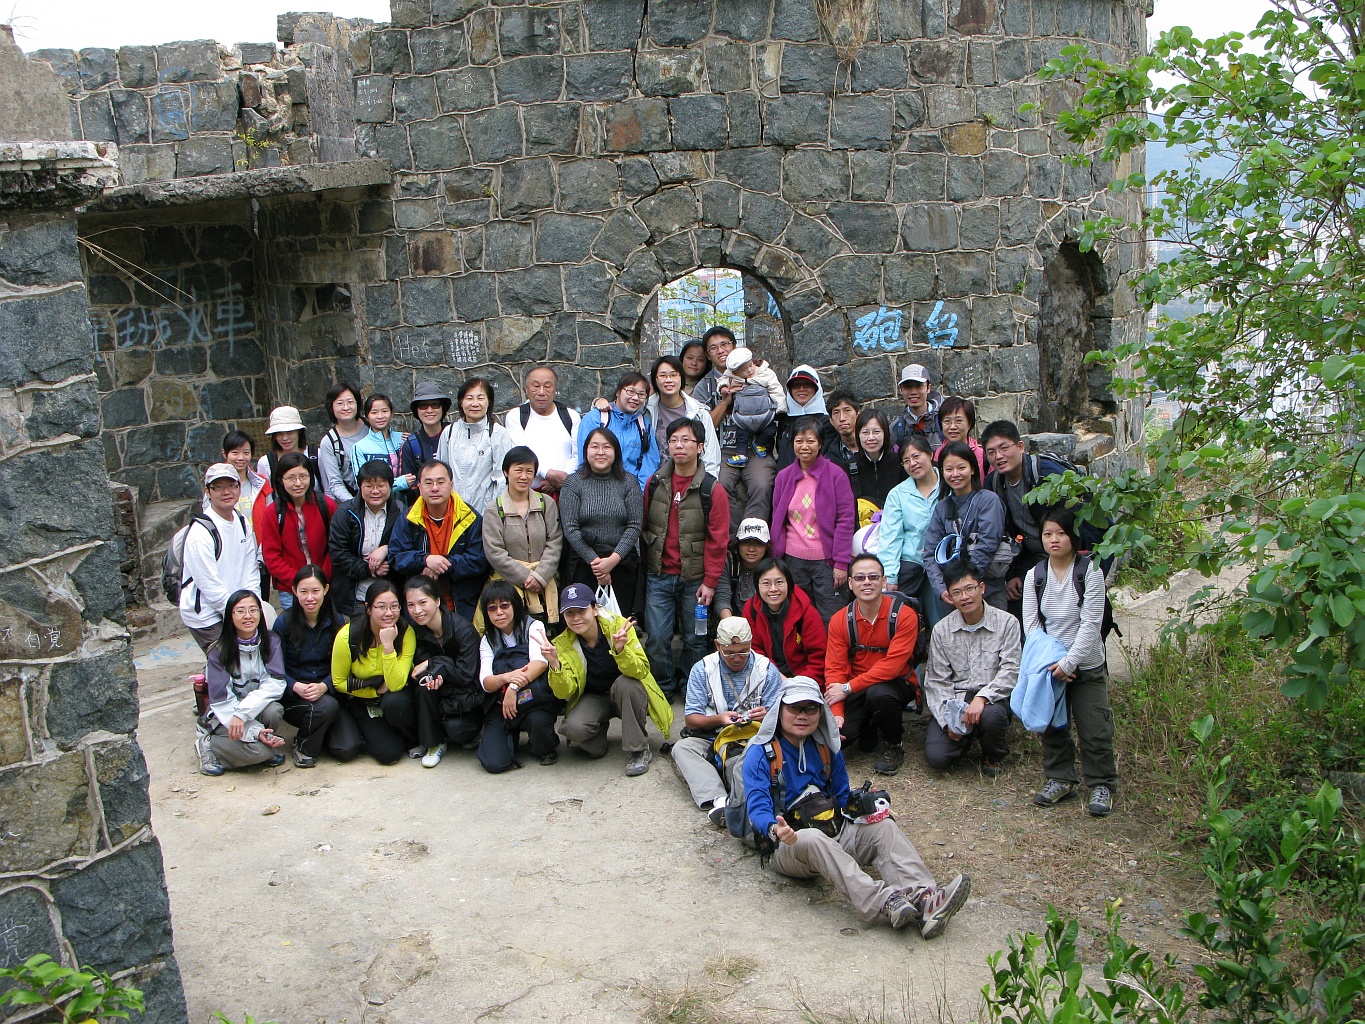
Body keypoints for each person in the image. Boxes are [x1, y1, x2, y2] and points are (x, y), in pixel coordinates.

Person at [742, 677, 970, 939]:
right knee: (812, 838)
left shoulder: (827, 747)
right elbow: (757, 810)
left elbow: (841, 797)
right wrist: (775, 829)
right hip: (790, 844)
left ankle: (926, 899)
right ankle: (885, 902)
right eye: (794, 708)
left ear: (820, 713)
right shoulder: (760, 753)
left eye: (811, 708)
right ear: (780, 710)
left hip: (833, 829)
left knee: (883, 827)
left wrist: (865, 806)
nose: (802, 715)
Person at [1023, 507, 1117, 817]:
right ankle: (1060, 778)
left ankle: (1101, 784)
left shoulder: (1090, 572)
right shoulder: (1035, 575)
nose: (1054, 540)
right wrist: (1054, 661)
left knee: (1095, 728)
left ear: (1073, 536)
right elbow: (1031, 624)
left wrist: (1070, 662)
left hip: (1086, 665)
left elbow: (1091, 624)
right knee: (1053, 726)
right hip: (1051, 666)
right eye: (1048, 534)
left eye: (1061, 533)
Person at [641, 417, 731, 699]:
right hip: (659, 575)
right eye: (673, 440)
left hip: (696, 580)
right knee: (657, 638)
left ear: (700, 447)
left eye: (686, 440)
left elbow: (718, 540)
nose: (679, 446)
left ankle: (691, 690)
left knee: (695, 639)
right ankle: (663, 688)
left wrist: (711, 581)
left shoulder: (712, 489)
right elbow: (644, 525)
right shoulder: (655, 483)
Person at [981, 420, 1108, 617]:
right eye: (991, 452)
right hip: (1033, 558)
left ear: (1020, 446)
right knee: (1019, 614)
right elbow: (1009, 534)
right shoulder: (994, 484)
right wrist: (1014, 574)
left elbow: (1077, 527)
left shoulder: (1047, 476)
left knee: (1072, 617)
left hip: (1072, 556)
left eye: (1004, 448)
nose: (998, 456)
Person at [545, 583, 671, 776]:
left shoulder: (619, 626)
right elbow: (564, 693)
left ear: (595, 609)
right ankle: (599, 726)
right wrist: (555, 664)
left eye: (582, 611)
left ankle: (639, 749)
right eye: (570, 613)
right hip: (594, 696)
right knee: (578, 732)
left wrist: (621, 650)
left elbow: (641, 671)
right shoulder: (562, 643)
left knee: (627, 685)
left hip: (624, 692)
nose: (576, 618)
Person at [674, 616, 782, 826]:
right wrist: (719, 719)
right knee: (683, 748)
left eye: (743, 651)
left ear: (751, 643)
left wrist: (769, 715)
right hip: (713, 736)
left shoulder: (766, 669)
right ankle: (719, 800)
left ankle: (748, 800)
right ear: (717, 645)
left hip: (755, 738)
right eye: (729, 652)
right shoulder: (703, 669)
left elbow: (783, 717)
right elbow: (691, 720)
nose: (737, 658)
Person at [824, 553, 920, 775]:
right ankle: (868, 724)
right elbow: (835, 669)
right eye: (859, 578)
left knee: (879, 693)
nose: (866, 582)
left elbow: (892, 667)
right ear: (850, 583)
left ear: (884, 581)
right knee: (841, 737)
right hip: (856, 686)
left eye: (873, 577)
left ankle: (894, 744)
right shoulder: (840, 620)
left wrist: (847, 688)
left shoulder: (904, 615)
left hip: (895, 683)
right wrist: (836, 714)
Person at [921, 561, 1021, 776]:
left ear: (982, 588)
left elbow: (1011, 670)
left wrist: (982, 698)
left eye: (969, 589)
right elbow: (936, 680)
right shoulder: (942, 629)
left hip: (992, 699)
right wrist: (948, 720)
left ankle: (993, 754)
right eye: (957, 592)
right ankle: (966, 737)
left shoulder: (1007, 623)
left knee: (992, 716)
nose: (964, 597)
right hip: (956, 699)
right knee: (937, 757)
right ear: (949, 596)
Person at [196, 590, 297, 776]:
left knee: (274, 711)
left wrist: (245, 716)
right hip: (224, 716)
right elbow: (221, 700)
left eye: (253, 610)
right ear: (230, 616)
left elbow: (275, 682)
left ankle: (256, 743)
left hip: (248, 711)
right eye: (240, 611)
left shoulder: (271, 641)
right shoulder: (218, 651)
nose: (248, 616)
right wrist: (244, 721)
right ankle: (209, 744)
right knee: (261, 752)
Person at [770, 416, 858, 622]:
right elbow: (778, 519)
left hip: (827, 561)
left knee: (832, 619)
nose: (804, 447)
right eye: (799, 441)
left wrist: (841, 563)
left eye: (810, 441)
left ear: (820, 444)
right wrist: (776, 558)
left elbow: (845, 520)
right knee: (798, 617)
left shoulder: (836, 475)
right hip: (792, 560)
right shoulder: (783, 477)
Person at [693, 328, 779, 530]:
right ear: (708, 355)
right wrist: (726, 400)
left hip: (756, 448)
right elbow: (701, 427)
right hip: (722, 450)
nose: (720, 350)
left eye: (724, 344)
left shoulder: (759, 373)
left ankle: (753, 537)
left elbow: (776, 401)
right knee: (718, 486)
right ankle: (732, 539)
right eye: (713, 348)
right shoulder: (704, 386)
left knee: (763, 485)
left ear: (734, 345)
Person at [558, 428, 644, 619]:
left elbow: (634, 525)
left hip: (621, 564)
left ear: (616, 451)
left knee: (619, 623)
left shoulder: (629, 482)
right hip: (584, 564)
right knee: (585, 621)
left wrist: (612, 560)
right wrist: (597, 564)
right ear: (585, 450)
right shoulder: (573, 483)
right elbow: (570, 528)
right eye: (594, 446)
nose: (600, 452)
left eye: (607, 447)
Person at [329, 580, 418, 765]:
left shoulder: (405, 632)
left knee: (396, 703)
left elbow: (396, 684)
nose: (389, 613)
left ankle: (410, 737)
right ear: (368, 608)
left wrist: (388, 646)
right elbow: (339, 682)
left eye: (394, 606)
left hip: (393, 698)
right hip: (362, 701)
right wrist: (374, 690)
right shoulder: (347, 636)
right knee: (389, 754)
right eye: (381, 607)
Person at [475, 580, 560, 773]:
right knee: (494, 764)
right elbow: (486, 682)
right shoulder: (487, 640)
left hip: (534, 701)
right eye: (492, 608)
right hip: (502, 706)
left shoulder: (534, 626)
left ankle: (541, 746)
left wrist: (513, 688)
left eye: (504, 606)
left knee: (540, 727)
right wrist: (507, 678)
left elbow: (540, 663)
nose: (499, 612)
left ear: (515, 605)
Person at [389, 460, 488, 620]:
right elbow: (396, 556)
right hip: (420, 606)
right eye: (428, 483)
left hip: (462, 602)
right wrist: (425, 560)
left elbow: (479, 560)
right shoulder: (408, 519)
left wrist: (442, 564)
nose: (435, 488)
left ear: (451, 485)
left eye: (440, 482)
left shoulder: (470, 517)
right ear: (420, 488)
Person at [405, 576, 485, 768]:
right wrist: (433, 674)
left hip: (466, 695)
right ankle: (433, 743)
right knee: (423, 686)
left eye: (423, 602)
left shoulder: (463, 630)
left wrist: (435, 663)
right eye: (410, 605)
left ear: (437, 600)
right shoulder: (416, 630)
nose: (417, 610)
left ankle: (468, 732)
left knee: (459, 731)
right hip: (441, 690)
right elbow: (419, 669)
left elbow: (466, 676)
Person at [180, 464, 261, 653]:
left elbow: (251, 569)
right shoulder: (201, 532)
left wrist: (251, 607)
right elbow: (208, 583)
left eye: (232, 485)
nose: (226, 492)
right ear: (208, 492)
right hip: (206, 614)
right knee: (226, 661)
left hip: (237, 608)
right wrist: (238, 614)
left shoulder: (241, 522)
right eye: (218, 487)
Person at [922, 441, 1009, 615]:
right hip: (953, 596)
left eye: (961, 468)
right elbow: (930, 552)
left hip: (988, 590)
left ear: (973, 469)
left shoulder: (989, 501)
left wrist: (966, 586)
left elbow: (987, 546)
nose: (955, 474)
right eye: (949, 469)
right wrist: (942, 589)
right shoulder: (942, 507)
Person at [270, 566, 343, 768]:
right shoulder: (283, 622)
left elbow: (344, 665)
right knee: (327, 707)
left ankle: (320, 733)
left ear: (325, 589)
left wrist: (325, 685)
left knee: (347, 748)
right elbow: (274, 668)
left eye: (315, 591)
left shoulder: (337, 621)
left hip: (327, 693)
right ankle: (303, 746)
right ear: (294, 591)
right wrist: (295, 686)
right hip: (295, 698)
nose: (310, 598)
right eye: (303, 591)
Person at [482, 446, 563, 626]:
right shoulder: (494, 509)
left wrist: (540, 576)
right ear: (506, 472)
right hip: (509, 586)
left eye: (529, 471)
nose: (524, 476)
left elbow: (555, 542)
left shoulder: (546, 503)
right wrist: (526, 577)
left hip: (545, 583)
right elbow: (494, 552)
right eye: (518, 470)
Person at [254, 452, 337, 611]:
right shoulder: (273, 512)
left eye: (303, 476)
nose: (298, 483)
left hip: (324, 584)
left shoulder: (326, 505)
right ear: (281, 480)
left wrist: (321, 578)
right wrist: (299, 581)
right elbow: (271, 555)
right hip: (290, 588)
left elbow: (335, 546)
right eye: (291, 478)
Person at [877, 436, 945, 630]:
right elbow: (890, 537)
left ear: (930, 454)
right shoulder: (898, 494)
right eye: (906, 461)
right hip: (911, 564)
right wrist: (890, 576)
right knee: (904, 621)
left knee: (940, 621)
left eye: (916, 456)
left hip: (942, 564)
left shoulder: (948, 483)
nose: (912, 463)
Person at [327, 460, 404, 619]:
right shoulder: (345, 513)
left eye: (381, 486)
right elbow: (338, 554)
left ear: (390, 486)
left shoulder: (401, 512)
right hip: (354, 595)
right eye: (369, 486)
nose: (375, 491)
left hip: (391, 596)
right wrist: (369, 569)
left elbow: (406, 548)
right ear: (360, 486)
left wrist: (387, 549)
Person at [436, 376, 512, 517]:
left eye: (480, 398)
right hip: (452, 513)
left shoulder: (498, 434)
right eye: (469, 398)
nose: (475, 403)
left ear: (489, 402)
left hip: (485, 514)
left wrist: (493, 513)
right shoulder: (449, 432)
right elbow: (441, 473)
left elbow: (501, 479)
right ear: (461, 402)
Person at [742, 559, 827, 684]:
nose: (773, 589)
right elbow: (754, 652)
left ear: (789, 583)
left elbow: (818, 658)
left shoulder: (806, 612)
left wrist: (796, 685)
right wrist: (777, 678)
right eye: (766, 583)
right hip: (766, 676)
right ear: (757, 586)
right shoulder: (751, 609)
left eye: (779, 582)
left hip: (803, 680)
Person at [504, 365, 581, 495]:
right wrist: (548, 474)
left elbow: (577, 455)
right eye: (536, 386)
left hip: (565, 491)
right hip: (528, 493)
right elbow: (521, 454)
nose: (541, 392)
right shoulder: (516, 416)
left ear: (555, 389)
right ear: (526, 389)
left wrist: (562, 478)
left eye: (547, 386)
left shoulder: (571, 416)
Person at [581, 371, 661, 491]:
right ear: (618, 392)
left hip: (632, 492)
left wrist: (638, 492)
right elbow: (583, 458)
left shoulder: (644, 425)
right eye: (631, 391)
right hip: (597, 490)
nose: (635, 398)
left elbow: (650, 462)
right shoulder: (595, 418)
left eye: (641, 394)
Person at [644, 356, 721, 477]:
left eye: (674, 375)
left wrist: (706, 483)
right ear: (655, 380)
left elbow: (710, 455)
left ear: (681, 377)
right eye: (663, 375)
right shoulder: (645, 410)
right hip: (656, 480)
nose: (668, 380)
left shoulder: (698, 412)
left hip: (691, 480)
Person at [775, 365, 838, 469]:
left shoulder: (827, 423)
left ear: (816, 389)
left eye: (807, 384)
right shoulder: (785, 421)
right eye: (796, 385)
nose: (801, 389)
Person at [352, 394, 413, 494]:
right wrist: (401, 483)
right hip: (377, 500)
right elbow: (362, 485)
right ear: (367, 417)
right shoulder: (359, 448)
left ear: (391, 413)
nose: (380, 416)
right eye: (374, 412)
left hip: (406, 501)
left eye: (384, 411)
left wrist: (413, 441)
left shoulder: (403, 439)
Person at [318, 383, 367, 503]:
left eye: (350, 402)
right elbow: (335, 483)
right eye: (340, 403)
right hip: (353, 502)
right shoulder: (329, 442)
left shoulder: (371, 426)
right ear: (331, 407)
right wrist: (355, 505)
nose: (346, 407)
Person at [713, 518, 770, 620]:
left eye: (758, 543)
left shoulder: (772, 568)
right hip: (730, 619)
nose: (751, 549)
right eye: (746, 543)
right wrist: (731, 624)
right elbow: (722, 597)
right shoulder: (729, 562)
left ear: (766, 546)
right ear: (738, 544)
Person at [852, 408, 906, 510]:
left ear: (885, 433)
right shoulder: (849, 467)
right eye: (865, 433)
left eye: (876, 432)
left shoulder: (900, 463)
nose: (871, 438)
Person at [401, 381, 450, 489]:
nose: (429, 410)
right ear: (417, 411)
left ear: (443, 408)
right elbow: (408, 487)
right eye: (423, 406)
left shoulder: (456, 435)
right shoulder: (411, 445)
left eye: (435, 404)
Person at [890, 364, 944, 450]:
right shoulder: (895, 429)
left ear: (928, 388)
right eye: (907, 386)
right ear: (900, 390)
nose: (913, 392)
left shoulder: (944, 421)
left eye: (918, 386)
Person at [218, 430, 268, 520]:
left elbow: (271, 516)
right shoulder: (215, 486)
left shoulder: (262, 484)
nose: (241, 458)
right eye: (235, 453)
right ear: (224, 453)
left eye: (246, 453)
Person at [256, 405, 312, 481]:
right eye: (279, 433)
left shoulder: (316, 456)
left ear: (299, 431)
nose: (285, 438)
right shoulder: (266, 463)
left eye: (289, 432)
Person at [935, 397, 986, 479]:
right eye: (947, 421)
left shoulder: (983, 456)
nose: (952, 427)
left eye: (958, 421)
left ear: (969, 424)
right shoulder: (936, 456)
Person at [823, 390, 861, 480]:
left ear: (858, 414)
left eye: (847, 411)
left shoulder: (873, 447)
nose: (842, 418)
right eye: (836, 413)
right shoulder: (828, 457)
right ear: (831, 420)